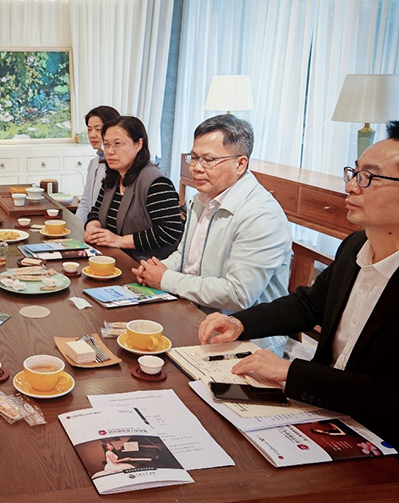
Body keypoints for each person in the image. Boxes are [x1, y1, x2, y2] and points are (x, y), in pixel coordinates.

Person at [197, 122, 399, 448]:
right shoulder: (355, 246)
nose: (351, 186)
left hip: (376, 435)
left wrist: (292, 372)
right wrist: (240, 322)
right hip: (321, 409)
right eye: (353, 173)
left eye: (369, 178)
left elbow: (389, 396)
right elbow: (308, 304)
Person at [134, 114, 292, 354]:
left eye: (208, 160)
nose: (196, 168)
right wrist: (157, 268)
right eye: (194, 157)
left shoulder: (261, 215)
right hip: (194, 314)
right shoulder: (202, 198)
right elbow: (185, 256)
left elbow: (238, 294)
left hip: (245, 341)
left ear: (240, 164)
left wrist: (165, 278)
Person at [84, 116, 183, 261]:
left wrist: (119, 241)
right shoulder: (113, 176)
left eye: (118, 144)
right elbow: (96, 212)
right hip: (113, 258)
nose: (110, 151)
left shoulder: (156, 183)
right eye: (106, 144)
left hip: (145, 264)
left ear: (138, 144)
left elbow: (169, 231)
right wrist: (92, 227)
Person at [75, 105, 121, 222]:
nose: (92, 135)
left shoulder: (119, 166)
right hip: (92, 226)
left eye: (98, 129)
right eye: (89, 129)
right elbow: (86, 202)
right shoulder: (94, 163)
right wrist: (77, 226)